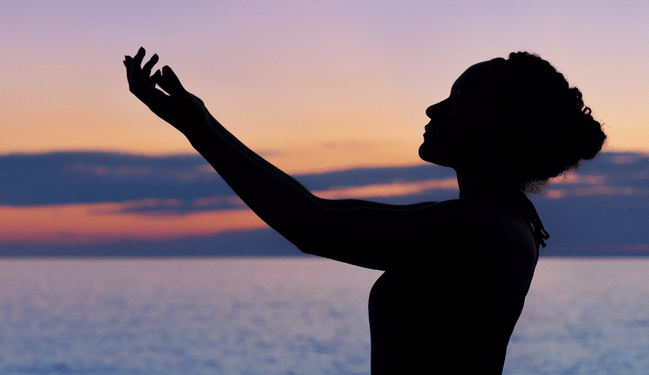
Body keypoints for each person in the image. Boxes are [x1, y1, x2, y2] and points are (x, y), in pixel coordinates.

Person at [124, 48, 606, 374]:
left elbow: (312, 225)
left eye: (457, 102)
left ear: (494, 126)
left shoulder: (480, 230)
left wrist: (200, 127)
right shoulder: (506, 223)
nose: (433, 108)